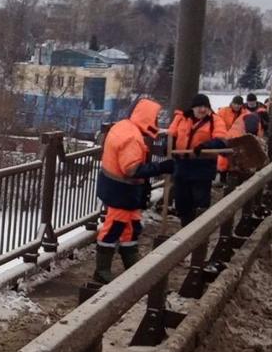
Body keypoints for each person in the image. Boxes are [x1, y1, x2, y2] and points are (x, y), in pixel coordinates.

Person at [93, 98, 175, 283]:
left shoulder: (125, 127)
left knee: (131, 226)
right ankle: (102, 271)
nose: (156, 123)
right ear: (147, 118)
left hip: (122, 192)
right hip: (121, 193)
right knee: (114, 228)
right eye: (155, 119)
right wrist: (162, 167)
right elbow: (132, 169)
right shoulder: (131, 138)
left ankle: (132, 266)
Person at [168, 93, 228, 227]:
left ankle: (198, 231)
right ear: (193, 108)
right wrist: (169, 147)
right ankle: (185, 227)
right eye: (199, 106)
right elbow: (171, 135)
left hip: (202, 166)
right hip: (182, 164)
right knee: (182, 201)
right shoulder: (181, 118)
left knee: (200, 201)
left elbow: (221, 140)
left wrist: (205, 146)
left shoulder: (215, 120)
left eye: (205, 107)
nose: (202, 110)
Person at [216, 96, 246, 181]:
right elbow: (218, 123)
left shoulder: (244, 113)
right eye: (235, 104)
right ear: (232, 103)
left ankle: (233, 178)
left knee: (236, 158)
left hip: (237, 139)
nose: (237, 106)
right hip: (224, 137)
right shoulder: (223, 111)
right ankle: (222, 178)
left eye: (239, 104)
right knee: (223, 158)